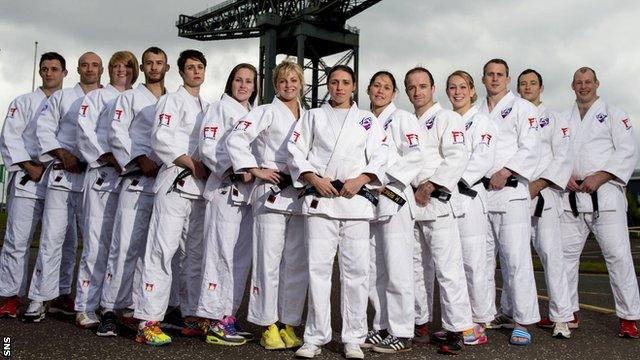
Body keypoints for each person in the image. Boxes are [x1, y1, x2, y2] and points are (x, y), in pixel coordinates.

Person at [290, 65, 388, 360]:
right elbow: (295, 152)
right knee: (317, 271)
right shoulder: (312, 116)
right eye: (334, 82)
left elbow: (382, 155)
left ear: (354, 86)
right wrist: (313, 178)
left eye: (345, 82)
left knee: (356, 273)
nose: (339, 87)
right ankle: (315, 336)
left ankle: (354, 337)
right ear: (328, 85)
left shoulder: (367, 119)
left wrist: (362, 179)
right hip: (321, 199)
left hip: (355, 200)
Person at [225, 60, 307, 351]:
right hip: (271, 191)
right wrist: (254, 168)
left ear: (301, 83)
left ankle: (288, 323)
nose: (289, 85)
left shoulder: (308, 116)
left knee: (295, 263)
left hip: (298, 195)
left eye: (294, 80)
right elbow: (236, 138)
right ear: (275, 84)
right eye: (283, 81)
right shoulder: (266, 111)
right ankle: (268, 324)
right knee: (267, 262)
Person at [134, 50, 209, 346]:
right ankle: (148, 320)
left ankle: (190, 315)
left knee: (194, 255)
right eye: (190, 67)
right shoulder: (169, 100)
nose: (196, 72)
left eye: (200, 67)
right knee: (161, 251)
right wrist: (191, 163)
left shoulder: (209, 106)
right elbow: (161, 138)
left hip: (200, 189)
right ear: (180, 72)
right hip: (175, 181)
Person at [22, 52, 103, 323]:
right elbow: (43, 130)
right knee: (52, 238)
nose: (89, 69)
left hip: (94, 177)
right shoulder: (61, 97)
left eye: (94, 65)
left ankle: (84, 303)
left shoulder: (112, 98)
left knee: (92, 242)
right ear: (76, 70)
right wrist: (63, 154)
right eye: (84, 65)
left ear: (101, 70)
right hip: (62, 174)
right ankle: (38, 298)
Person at [561, 67, 640, 338]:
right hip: (571, 196)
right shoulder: (563, 118)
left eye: (588, 82)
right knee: (565, 257)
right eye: (578, 83)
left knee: (618, 257)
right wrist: (564, 176)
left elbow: (628, 150)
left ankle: (629, 317)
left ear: (597, 84)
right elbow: (555, 151)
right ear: (572, 86)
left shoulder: (616, 114)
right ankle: (568, 311)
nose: (583, 87)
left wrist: (603, 175)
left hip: (605, 196)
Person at [96, 47, 170, 337]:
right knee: (124, 247)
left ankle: (142, 309)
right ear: (142, 67)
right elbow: (116, 132)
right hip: (137, 179)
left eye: (159, 63)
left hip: (165, 182)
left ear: (166, 68)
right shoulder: (128, 98)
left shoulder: (172, 100)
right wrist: (139, 158)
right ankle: (110, 309)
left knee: (157, 251)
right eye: (149, 63)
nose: (154, 67)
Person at [406, 66, 473, 355]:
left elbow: (458, 156)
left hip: (437, 199)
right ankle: (421, 322)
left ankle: (457, 330)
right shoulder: (407, 120)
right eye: (412, 87)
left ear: (433, 89)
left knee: (448, 270)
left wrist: (431, 184)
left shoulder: (448, 117)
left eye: (423, 86)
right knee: (416, 268)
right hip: (411, 203)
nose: (418, 91)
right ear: (407, 91)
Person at [0, 52, 69, 318]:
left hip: (60, 179)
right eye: (45, 69)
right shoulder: (25, 101)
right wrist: (28, 165)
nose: (49, 73)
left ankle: (59, 292)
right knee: (17, 240)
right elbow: (9, 137)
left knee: (60, 241)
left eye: (54, 69)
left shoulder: (72, 103)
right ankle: (9, 295)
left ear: (64, 72)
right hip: (30, 178)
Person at [477, 59, 540, 345]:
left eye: (500, 74)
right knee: (483, 259)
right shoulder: (476, 111)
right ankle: (483, 316)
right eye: (490, 74)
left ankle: (522, 321)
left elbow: (531, 147)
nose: (494, 78)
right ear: (483, 78)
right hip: (481, 194)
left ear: (507, 78)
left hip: (511, 190)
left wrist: (506, 171)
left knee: (516, 259)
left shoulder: (524, 108)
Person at [195, 63, 257, 346]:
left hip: (246, 196)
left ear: (255, 86)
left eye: (249, 81)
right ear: (230, 82)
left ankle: (228, 315)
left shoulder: (253, 114)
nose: (243, 85)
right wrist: (233, 168)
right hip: (225, 189)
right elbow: (208, 147)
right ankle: (213, 319)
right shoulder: (218, 109)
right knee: (219, 255)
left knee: (239, 259)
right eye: (238, 80)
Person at [75, 50, 138, 328]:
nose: (121, 70)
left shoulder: (139, 98)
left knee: (124, 245)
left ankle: (116, 302)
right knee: (96, 243)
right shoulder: (96, 97)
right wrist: (109, 156)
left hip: (129, 179)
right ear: (108, 70)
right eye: (116, 66)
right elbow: (84, 132)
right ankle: (85, 305)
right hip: (103, 174)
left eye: (126, 66)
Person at [363, 70, 423, 354]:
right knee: (375, 269)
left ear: (394, 93)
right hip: (368, 201)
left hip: (393, 196)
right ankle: (382, 325)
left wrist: (380, 179)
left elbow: (416, 155)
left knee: (398, 268)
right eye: (376, 86)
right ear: (368, 89)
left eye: (387, 87)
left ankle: (402, 331)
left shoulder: (403, 119)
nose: (381, 91)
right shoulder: (362, 121)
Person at [516, 69, 574, 339]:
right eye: (523, 84)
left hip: (544, 194)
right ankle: (515, 312)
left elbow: (563, 156)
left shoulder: (554, 118)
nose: (528, 87)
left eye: (532, 83)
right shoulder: (514, 114)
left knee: (552, 256)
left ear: (541, 87)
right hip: (515, 195)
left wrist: (539, 184)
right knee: (515, 258)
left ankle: (561, 316)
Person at [443, 70, 496, 345]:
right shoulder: (444, 120)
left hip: (469, 195)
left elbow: (483, 158)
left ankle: (478, 321)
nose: (458, 91)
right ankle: (458, 320)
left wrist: (452, 179)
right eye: (452, 87)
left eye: (463, 87)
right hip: (446, 198)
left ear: (473, 91)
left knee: (474, 263)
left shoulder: (483, 122)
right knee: (450, 264)